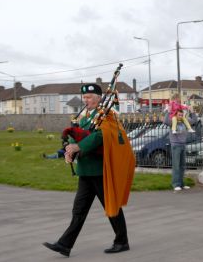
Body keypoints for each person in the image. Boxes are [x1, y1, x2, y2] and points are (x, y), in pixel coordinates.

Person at [43, 83, 135, 257]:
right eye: (84, 97)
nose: (86, 100)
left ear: (99, 98)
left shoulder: (107, 116)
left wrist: (79, 146)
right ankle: (65, 244)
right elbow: (75, 135)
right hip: (85, 171)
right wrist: (68, 150)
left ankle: (122, 241)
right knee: (79, 209)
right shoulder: (85, 117)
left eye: (90, 97)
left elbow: (101, 136)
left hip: (100, 170)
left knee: (112, 207)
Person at [164, 107, 198, 191]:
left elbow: (194, 121)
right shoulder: (173, 121)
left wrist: (192, 112)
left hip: (183, 145)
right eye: (179, 114)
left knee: (182, 166)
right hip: (176, 145)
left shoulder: (184, 121)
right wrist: (168, 112)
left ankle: (181, 184)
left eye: (182, 115)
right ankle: (176, 184)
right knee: (176, 166)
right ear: (176, 115)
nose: (180, 116)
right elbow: (166, 121)